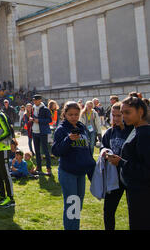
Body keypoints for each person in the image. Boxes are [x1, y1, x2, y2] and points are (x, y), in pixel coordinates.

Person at [52, 101, 96, 230]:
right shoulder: (61, 129)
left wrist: (91, 170)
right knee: (72, 205)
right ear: (64, 114)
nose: (73, 117)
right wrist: (68, 140)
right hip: (68, 172)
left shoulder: (82, 127)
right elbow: (56, 151)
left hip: (81, 172)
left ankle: (74, 227)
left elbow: (87, 150)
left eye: (76, 114)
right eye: (70, 114)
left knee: (78, 204)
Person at [109, 96, 150, 230]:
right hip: (134, 189)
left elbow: (146, 169)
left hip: (142, 192)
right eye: (122, 112)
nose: (123, 116)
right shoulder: (136, 128)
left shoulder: (144, 134)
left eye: (127, 112)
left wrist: (120, 163)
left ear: (140, 112)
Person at [99, 101, 133, 230]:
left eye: (119, 115)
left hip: (130, 175)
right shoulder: (110, 132)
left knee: (134, 211)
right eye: (113, 115)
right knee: (108, 210)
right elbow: (104, 146)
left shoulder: (133, 131)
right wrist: (105, 152)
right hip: (114, 177)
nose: (116, 118)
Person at [31, 95, 52, 175]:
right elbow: (33, 118)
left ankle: (48, 168)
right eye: (34, 100)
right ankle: (38, 167)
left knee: (45, 150)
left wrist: (39, 120)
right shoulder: (33, 108)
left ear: (40, 100)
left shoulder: (45, 109)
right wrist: (32, 119)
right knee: (37, 151)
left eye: (36, 100)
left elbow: (49, 120)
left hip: (42, 132)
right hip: (34, 131)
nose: (34, 101)